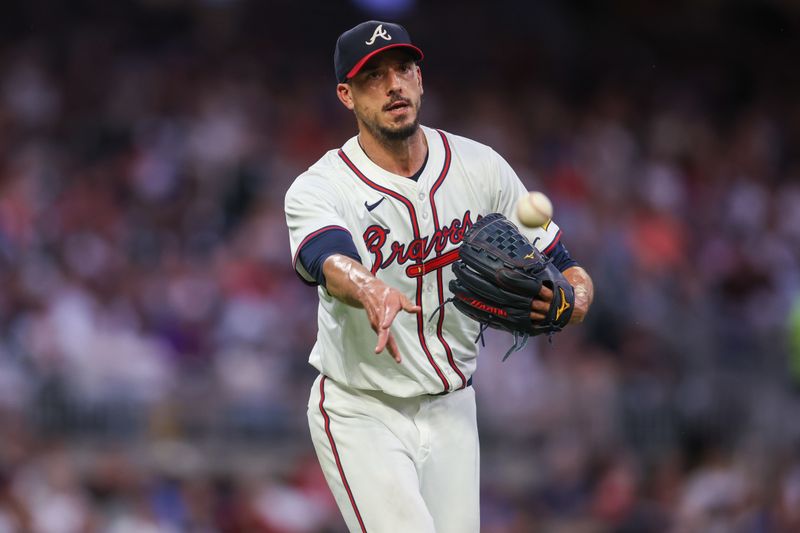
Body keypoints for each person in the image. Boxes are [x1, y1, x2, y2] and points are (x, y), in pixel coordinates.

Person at [284, 20, 594, 533]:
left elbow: (567, 266)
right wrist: (368, 286)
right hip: (362, 408)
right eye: (372, 76)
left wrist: (577, 299)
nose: (393, 85)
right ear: (346, 95)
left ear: (420, 80)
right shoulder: (321, 185)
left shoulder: (480, 167)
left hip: (453, 407)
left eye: (403, 68)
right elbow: (326, 256)